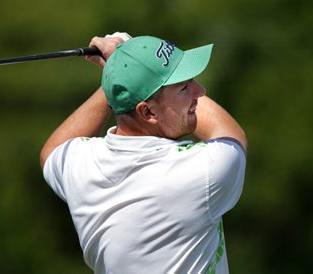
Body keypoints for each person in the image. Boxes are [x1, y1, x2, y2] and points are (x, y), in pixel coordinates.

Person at [40, 32, 247, 274]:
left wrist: (118, 76)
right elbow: (230, 136)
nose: (200, 91)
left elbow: (53, 150)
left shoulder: (82, 166)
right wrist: (118, 62)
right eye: (183, 88)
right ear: (147, 113)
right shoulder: (201, 173)